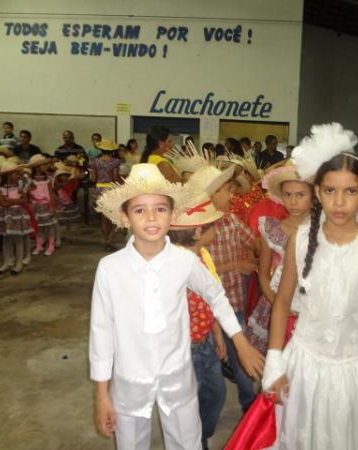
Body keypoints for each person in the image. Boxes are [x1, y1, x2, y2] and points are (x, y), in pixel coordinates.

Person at [90, 163, 263, 450]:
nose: (151, 217)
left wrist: (239, 340)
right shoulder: (110, 268)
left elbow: (215, 295)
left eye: (160, 208)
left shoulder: (184, 261)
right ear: (125, 216)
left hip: (177, 377)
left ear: (172, 215)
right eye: (139, 210)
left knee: (187, 443)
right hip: (129, 381)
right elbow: (101, 331)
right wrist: (101, 394)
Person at [261, 123, 358, 449]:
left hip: (356, 371)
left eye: (350, 192)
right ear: (318, 193)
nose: (339, 202)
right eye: (330, 191)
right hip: (305, 367)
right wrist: (274, 360)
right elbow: (282, 301)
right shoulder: (299, 240)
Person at [187, 165, 261, 412]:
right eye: (224, 190)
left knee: (242, 360)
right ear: (208, 196)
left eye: (230, 190)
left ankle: (249, 407)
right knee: (206, 372)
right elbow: (195, 273)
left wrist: (270, 248)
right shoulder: (196, 230)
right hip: (203, 312)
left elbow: (253, 241)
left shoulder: (231, 220)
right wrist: (236, 264)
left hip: (233, 302)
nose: (230, 195)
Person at [168, 191, 229, 450]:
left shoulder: (203, 257)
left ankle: (198, 435)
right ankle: (193, 440)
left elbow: (211, 299)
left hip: (204, 342)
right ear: (197, 233)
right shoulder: (173, 266)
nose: (217, 229)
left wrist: (217, 334)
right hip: (184, 349)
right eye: (212, 225)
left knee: (215, 393)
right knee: (190, 399)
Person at [246, 165, 313, 354]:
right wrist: (277, 302)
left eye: (301, 195)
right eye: (288, 195)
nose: (293, 201)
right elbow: (264, 274)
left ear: (314, 197)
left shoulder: (324, 230)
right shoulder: (270, 227)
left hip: (312, 307)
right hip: (274, 302)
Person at [0, 161, 34, 275]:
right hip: (5, 215)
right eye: (15, 174)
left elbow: (25, 200)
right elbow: (2, 204)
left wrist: (9, 200)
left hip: (18, 214)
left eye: (19, 174)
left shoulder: (19, 186)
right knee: (6, 239)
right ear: (8, 175)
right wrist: (15, 201)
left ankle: (18, 263)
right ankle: (6, 262)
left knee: (18, 239)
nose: (18, 176)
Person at [90, 139, 121, 251]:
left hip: (99, 189)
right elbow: (115, 177)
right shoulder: (115, 162)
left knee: (103, 218)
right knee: (114, 217)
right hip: (111, 189)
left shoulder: (95, 161)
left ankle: (106, 240)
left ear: (101, 149)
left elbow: (93, 178)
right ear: (112, 150)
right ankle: (110, 239)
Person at [26, 154, 57, 257]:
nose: (46, 167)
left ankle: (51, 245)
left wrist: (52, 206)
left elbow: (51, 192)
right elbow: (27, 192)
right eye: (43, 165)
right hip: (35, 206)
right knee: (38, 226)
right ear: (36, 167)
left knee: (49, 226)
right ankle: (39, 245)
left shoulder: (48, 178)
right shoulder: (30, 179)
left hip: (46, 205)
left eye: (46, 165)